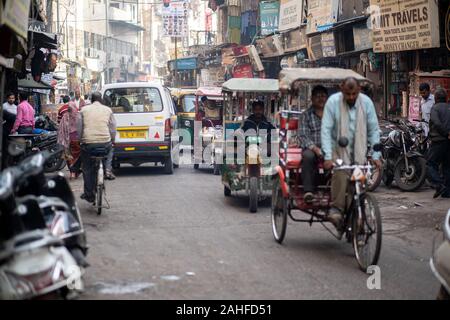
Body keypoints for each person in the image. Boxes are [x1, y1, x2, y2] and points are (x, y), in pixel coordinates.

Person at [321, 77, 381, 233]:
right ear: (342, 89)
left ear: (359, 90)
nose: (351, 97)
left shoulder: (366, 103)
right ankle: (336, 210)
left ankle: (356, 212)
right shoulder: (333, 102)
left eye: (354, 94)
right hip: (338, 150)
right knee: (341, 174)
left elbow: (374, 130)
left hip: (359, 151)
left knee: (358, 184)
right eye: (348, 94)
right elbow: (326, 130)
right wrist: (327, 156)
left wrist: (376, 155)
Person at [77, 92, 116, 203]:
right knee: (110, 150)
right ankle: (107, 169)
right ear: (101, 100)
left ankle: (89, 194)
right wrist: (112, 140)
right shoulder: (108, 110)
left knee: (87, 169)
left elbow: (79, 128)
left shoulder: (83, 110)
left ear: (91, 100)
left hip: (88, 144)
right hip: (105, 143)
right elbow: (113, 128)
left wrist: (80, 140)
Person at [298, 86, 329, 203]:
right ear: (312, 98)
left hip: (329, 147)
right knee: (308, 156)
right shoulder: (306, 115)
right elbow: (303, 136)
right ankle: (308, 191)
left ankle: (332, 186)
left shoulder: (332, 114)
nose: (321, 99)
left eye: (323, 96)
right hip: (311, 147)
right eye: (318, 96)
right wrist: (316, 149)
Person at [427, 88, 450, 199]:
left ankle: (439, 184)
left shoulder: (435, 108)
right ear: (446, 98)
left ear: (435, 98)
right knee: (447, 166)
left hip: (438, 140)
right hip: (448, 141)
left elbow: (436, 122)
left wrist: (445, 133)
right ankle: (447, 192)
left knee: (430, 163)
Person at [58, 101, 82, 179]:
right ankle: (75, 171)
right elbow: (82, 128)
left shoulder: (65, 116)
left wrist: (62, 140)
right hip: (77, 140)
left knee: (68, 156)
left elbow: (61, 129)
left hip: (67, 140)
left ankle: (72, 173)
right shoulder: (78, 116)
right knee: (77, 156)